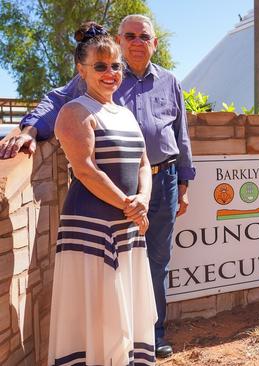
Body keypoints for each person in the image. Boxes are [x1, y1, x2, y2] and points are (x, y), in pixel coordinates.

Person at [1, 14, 194, 357]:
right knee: (104, 282)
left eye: (143, 36)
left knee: (155, 261)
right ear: (119, 40)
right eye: (130, 35)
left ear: (154, 42)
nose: (136, 42)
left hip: (159, 180)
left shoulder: (169, 81)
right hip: (107, 203)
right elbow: (56, 106)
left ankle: (151, 334)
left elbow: (180, 135)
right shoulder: (90, 85)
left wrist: (183, 180)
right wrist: (29, 128)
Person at [48, 22, 156, 365]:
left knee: (123, 308)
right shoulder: (75, 111)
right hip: (91, 227)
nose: (110, 73)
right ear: (82, 70)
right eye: (100, 66)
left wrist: (143, 201)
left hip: (126, 224)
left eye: (115, 66)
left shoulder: (124, 113)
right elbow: (85, 170)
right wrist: (130, 206)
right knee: (96, 311)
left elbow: (143, 163)